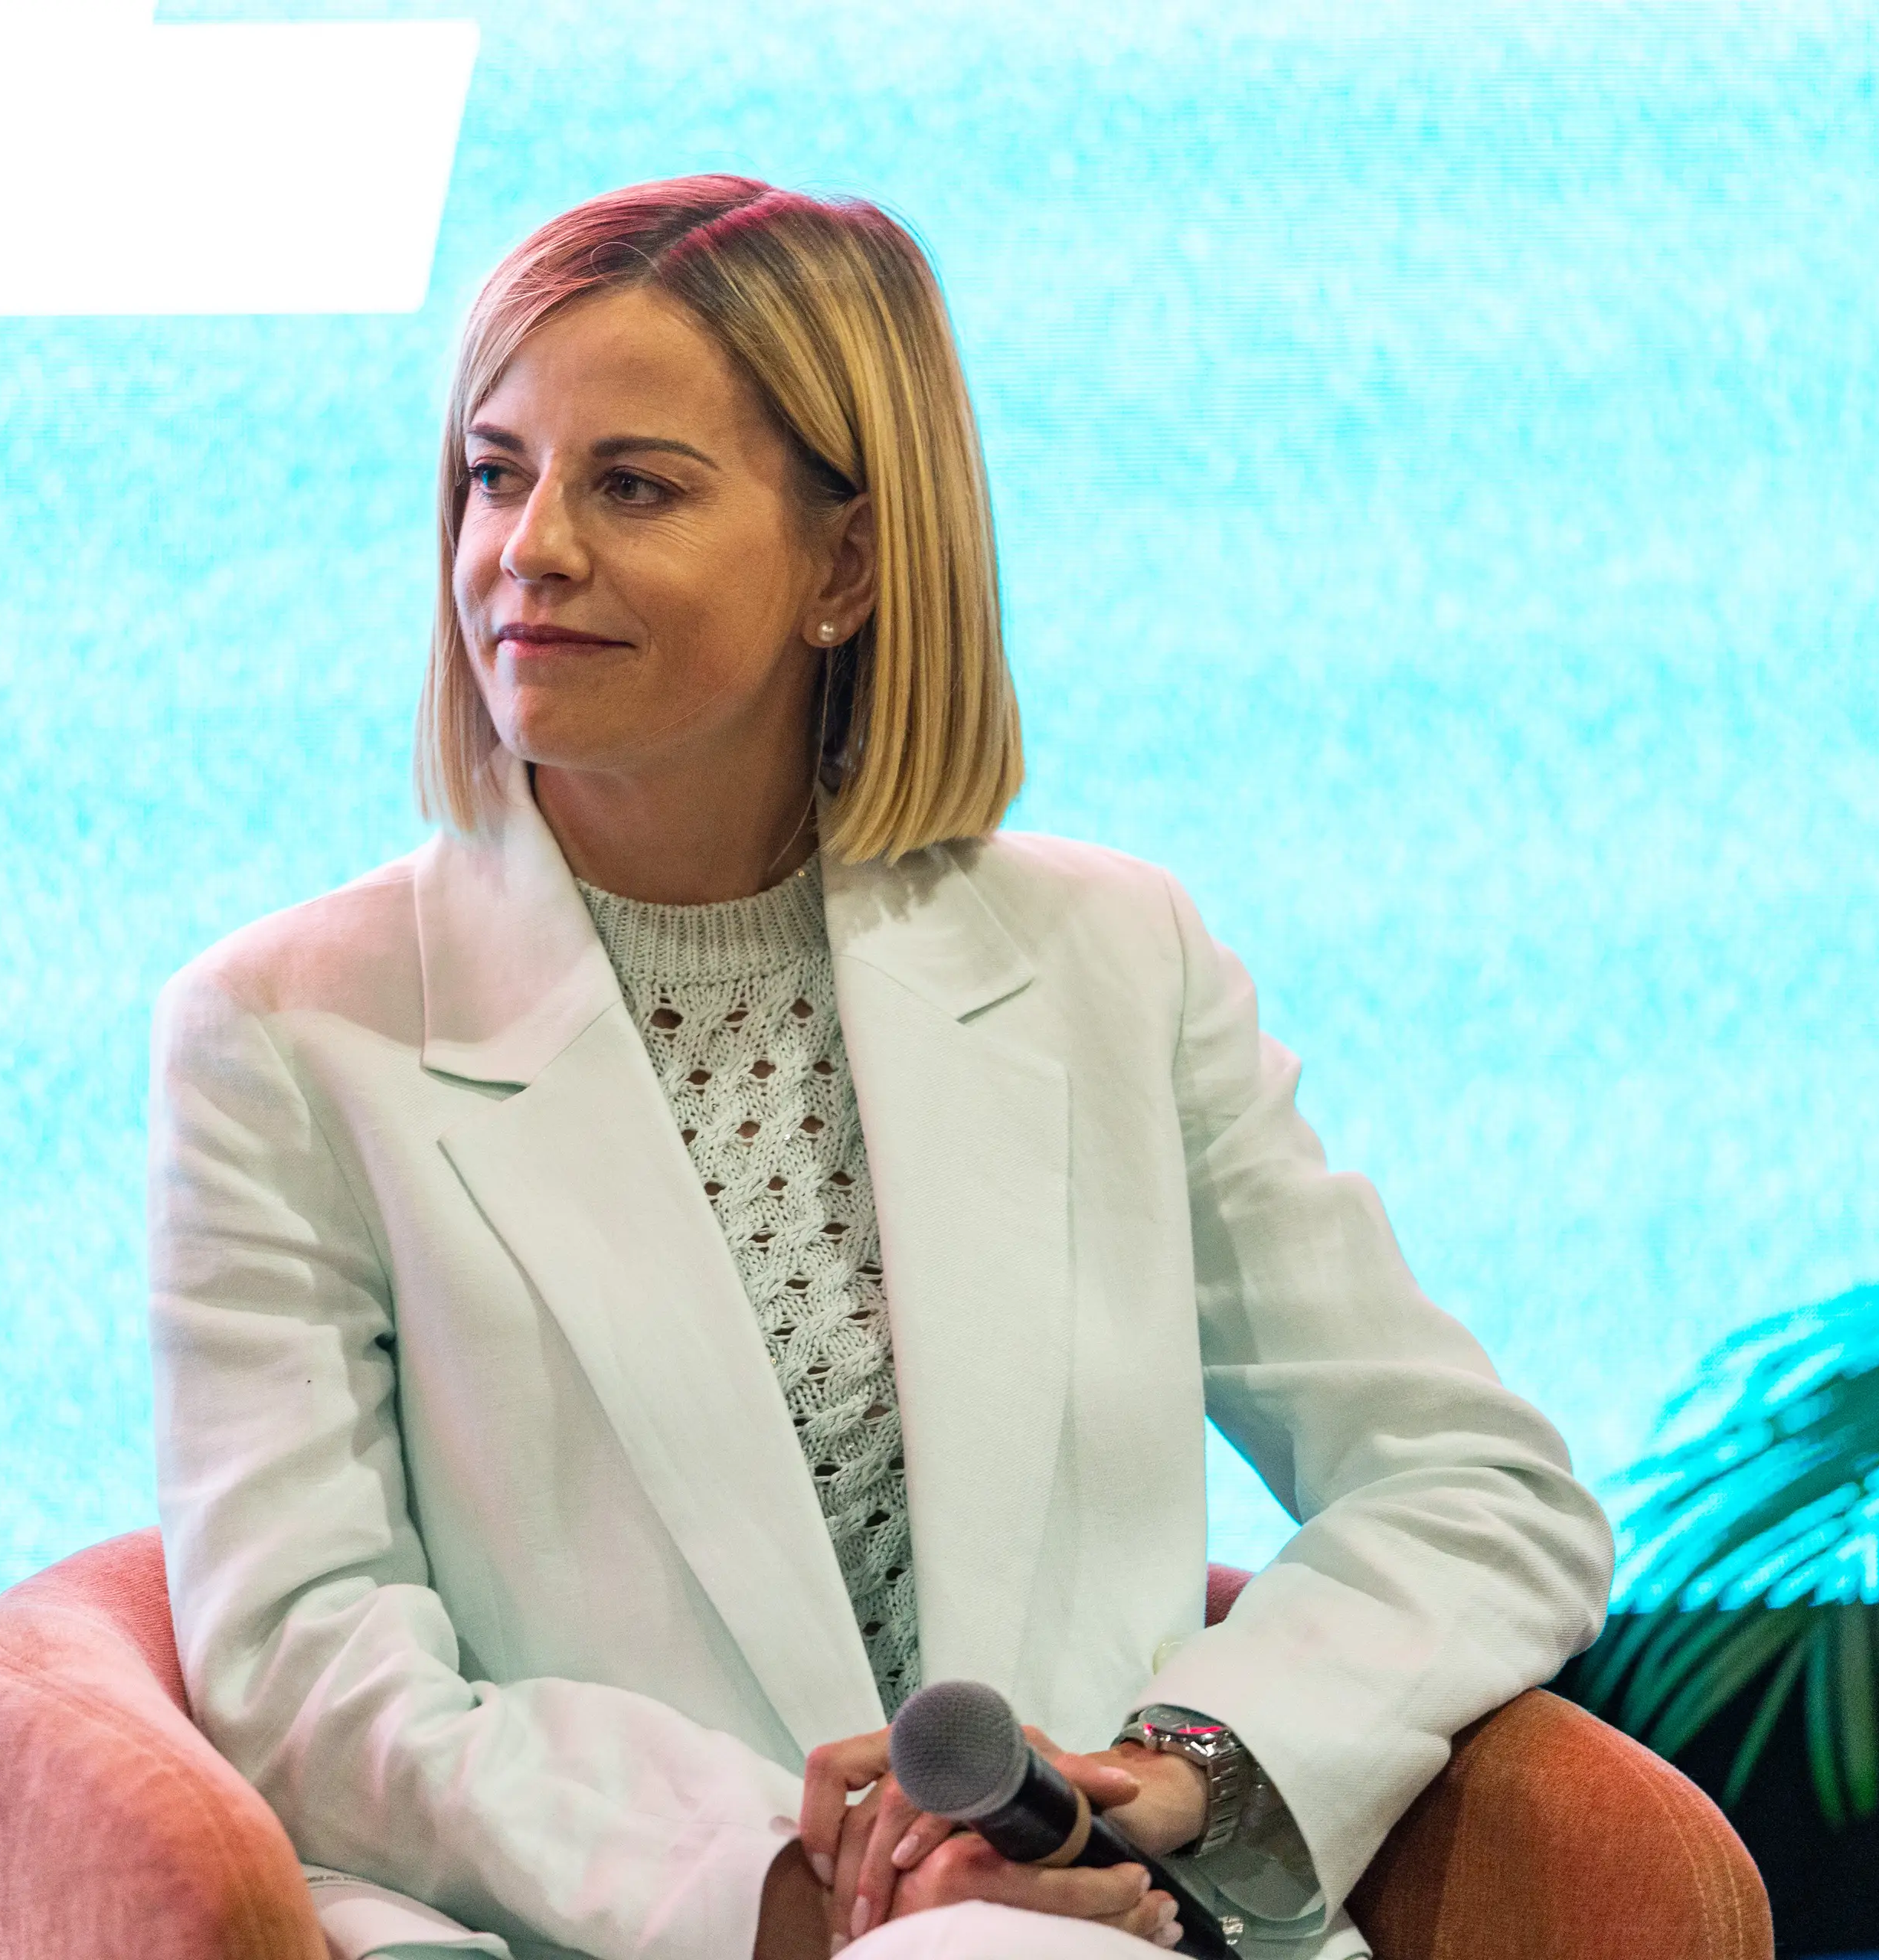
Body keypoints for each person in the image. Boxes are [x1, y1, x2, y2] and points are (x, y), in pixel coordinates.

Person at [146, 175, 1613, 1960]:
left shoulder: (1112, 956)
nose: (526, 546)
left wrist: (1168, 1773)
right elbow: (303, 1663)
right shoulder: (285, 1027)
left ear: (848, 562)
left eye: (633, 485)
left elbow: (1479, 1488)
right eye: (493, 469)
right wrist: (791, 1890)